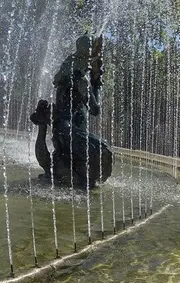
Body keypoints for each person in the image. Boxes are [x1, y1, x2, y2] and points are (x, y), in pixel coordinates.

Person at [30, 33, 113, 188]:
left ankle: (65, 173)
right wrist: (95, 81)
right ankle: (74, 176)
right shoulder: (81, 82)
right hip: (70, 135)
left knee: (64, 165)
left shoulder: (66, 74)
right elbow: (95, 109)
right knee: (103, 151)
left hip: (61, 132)